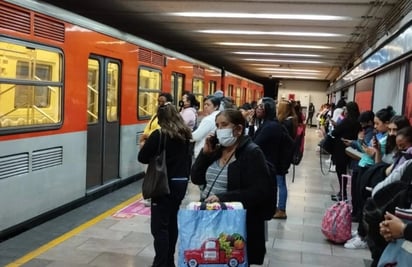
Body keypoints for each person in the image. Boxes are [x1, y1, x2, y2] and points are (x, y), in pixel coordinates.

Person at [191, 108, 273, 265]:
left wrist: (223, 199)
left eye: (224, 125)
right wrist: (205, 154)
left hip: (234, 225)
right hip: (209, 219)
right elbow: (196, 178)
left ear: (239, 129)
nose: (219, 130)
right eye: (217, 126)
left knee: (230, 260)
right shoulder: (216, 150)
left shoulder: (252, 153)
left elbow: (259, 192)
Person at [138, 102, 192, 267]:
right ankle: (169, 260)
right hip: (181, 183)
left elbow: (143, 157)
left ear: (160, 119)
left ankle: (161, 262)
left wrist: (144, 146)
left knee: (159, 226)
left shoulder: (159, 134)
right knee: (171, 221)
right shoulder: (185, 134)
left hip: (163, 184)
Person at [248, 97, 285, 219]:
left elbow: (253, 144)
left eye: (260, 107)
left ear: (267, 108)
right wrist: (252, 125)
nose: (257, 109)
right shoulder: (267, 124)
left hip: (268, 166)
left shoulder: (270, 126)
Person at [329, 101, 360, 202]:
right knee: (347, 172)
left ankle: (342, 193)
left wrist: (336, 126)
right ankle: (342, 193)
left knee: (341, 171)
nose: (344, 111)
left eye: (346, 109)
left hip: (341, 149)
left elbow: (335, 132)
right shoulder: (358, 122)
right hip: (352, 150)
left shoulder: (346, 121)